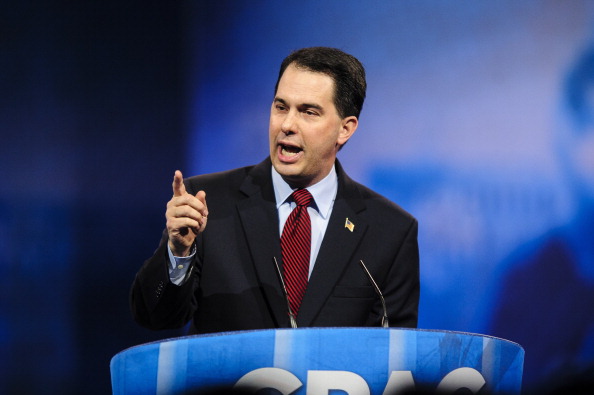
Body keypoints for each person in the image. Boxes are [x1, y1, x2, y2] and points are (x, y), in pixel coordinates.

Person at [130, 47, 419, 334]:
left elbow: (396, 360)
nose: (287, 125)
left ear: (345, 129)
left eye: (308, 112)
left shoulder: (390, 231)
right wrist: (177, 252)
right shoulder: (207, 202)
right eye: (281, 107)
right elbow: (155, 317)